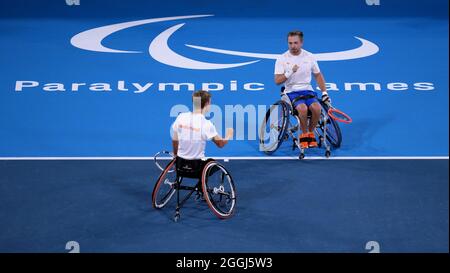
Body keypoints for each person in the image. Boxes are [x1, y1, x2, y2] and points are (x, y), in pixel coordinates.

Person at [274, 30, 331, 149]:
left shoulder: (309, 56)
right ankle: (304, 134)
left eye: (295, 43)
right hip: (291, 91)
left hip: (307, 90)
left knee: (316, 108)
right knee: (302, 108)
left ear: (301, 43)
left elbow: (318, 75)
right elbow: (277, 81)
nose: (293, 46)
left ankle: (310, 132)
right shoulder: (282, 58)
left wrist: (324, 93)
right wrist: (289, 72)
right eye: (290, 43)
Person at [171, 90, 233, 173]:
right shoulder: (207, 124)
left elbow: (175, 140)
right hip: (197, 168)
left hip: (180, 165)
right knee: (214, 165)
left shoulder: (181, 117)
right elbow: (220, 144)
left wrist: (176, 156)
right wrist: (229, 135)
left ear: (194, 102)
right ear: (207, 104)